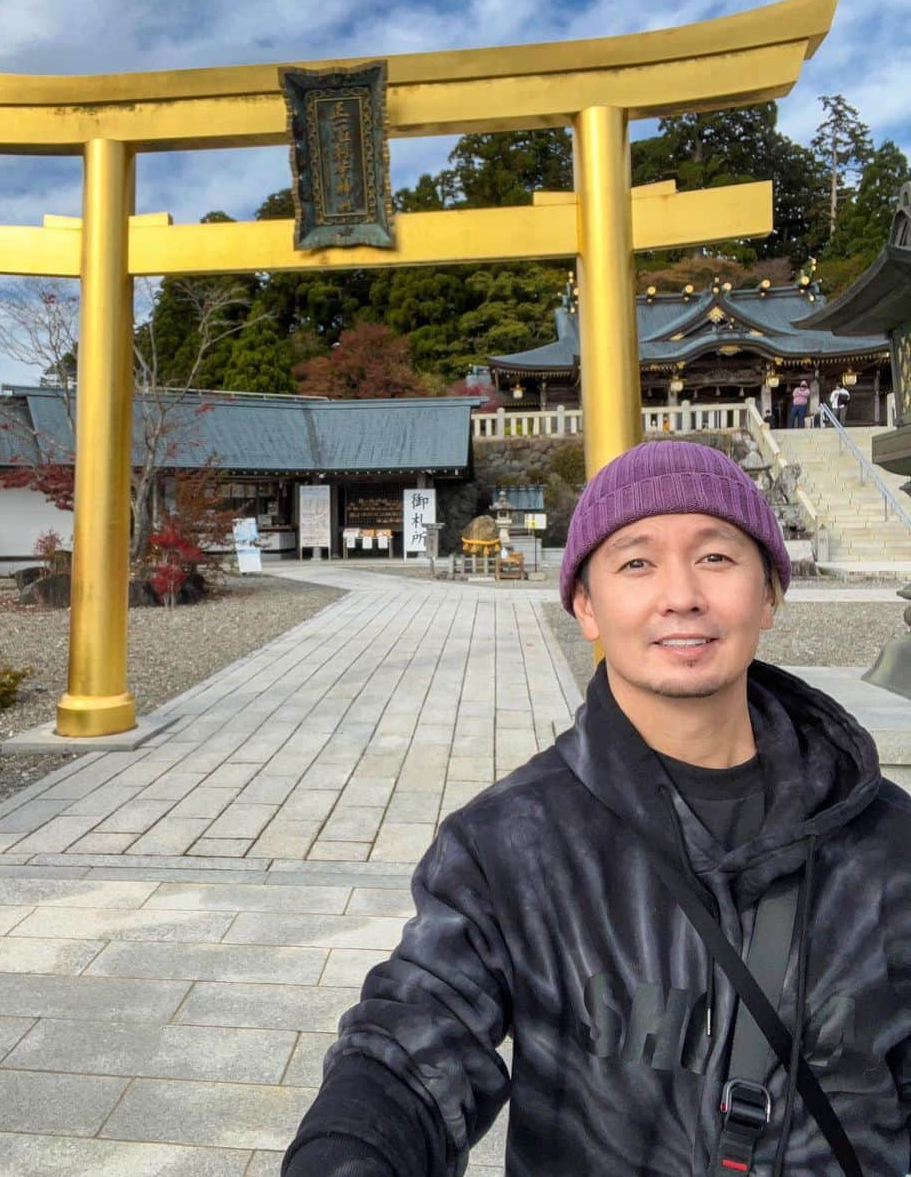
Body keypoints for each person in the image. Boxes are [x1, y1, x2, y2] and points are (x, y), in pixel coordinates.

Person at [282, 440, 911, 1176]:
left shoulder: (884, 842)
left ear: (769, 592)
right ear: (584, 604)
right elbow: (410, 1047)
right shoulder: (510, 845)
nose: (681, 595)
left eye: (716, 557)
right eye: (636, 562)